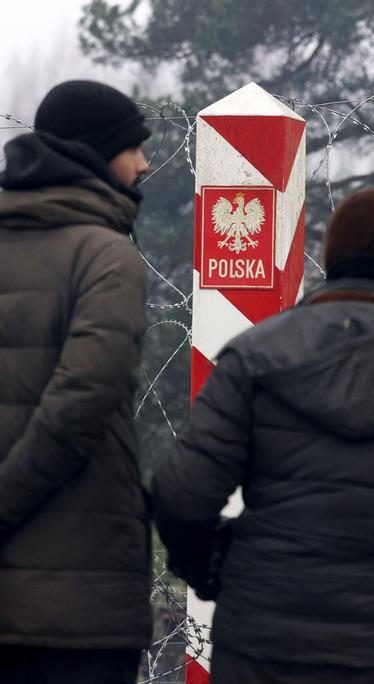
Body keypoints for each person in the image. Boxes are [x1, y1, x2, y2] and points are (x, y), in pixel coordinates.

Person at [152, 187, 374, 684]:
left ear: (331, 257)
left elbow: (180, 496)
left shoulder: (253, 359)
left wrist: (219, 572)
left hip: (261, 639)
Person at [0, 80, 153, 684]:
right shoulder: (106, 255)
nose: (144, 163)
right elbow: (81, 403)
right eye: (132, 147)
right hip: (80, 606)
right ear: (94, 153)